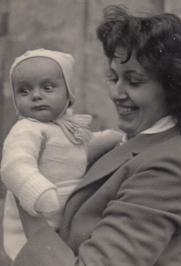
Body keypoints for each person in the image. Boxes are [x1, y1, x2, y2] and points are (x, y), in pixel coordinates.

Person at [11, 5, 181, 266]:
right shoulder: (133, 144)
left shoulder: (167, 170)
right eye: (113, 77)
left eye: (134, 81)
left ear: (173, 89)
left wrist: (25, 200)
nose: (115, 93)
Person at [0, 48, 123, 261]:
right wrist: (35, 190)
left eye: (47, 87)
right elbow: (15, 164)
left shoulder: (65, 129)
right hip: (32, 221)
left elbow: (84, 147)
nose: (36, 95)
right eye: (24, 91)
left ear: (69, 93)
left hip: (63, 219)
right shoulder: (27, 129)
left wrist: (111, 138)